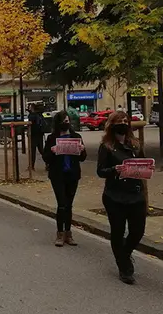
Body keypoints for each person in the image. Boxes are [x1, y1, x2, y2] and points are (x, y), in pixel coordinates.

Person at [97, 111, 149, 284]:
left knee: (137, 231)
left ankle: (124, 254)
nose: (123, 123)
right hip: (115, 196)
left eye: (126, 120)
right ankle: (124, 268)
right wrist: (115, 170)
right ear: (112, 125)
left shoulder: (135, 144)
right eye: (119, 121)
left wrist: (147, 169)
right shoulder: (106, 146)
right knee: (118, 232)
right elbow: (101, 171)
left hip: (135, 194)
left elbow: (142, 164)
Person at [42, 111, 87, 247]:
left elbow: (82, 158)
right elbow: (46, 157)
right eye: (63, 121)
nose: (66, 123)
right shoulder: (51, 138)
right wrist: (52, 151)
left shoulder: (76, 136)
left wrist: (82, 150)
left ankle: (68, 232)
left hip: (72, 175)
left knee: (69, 205)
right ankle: (60, 233)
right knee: (61, 204)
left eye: (68, 121)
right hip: (58, 175)